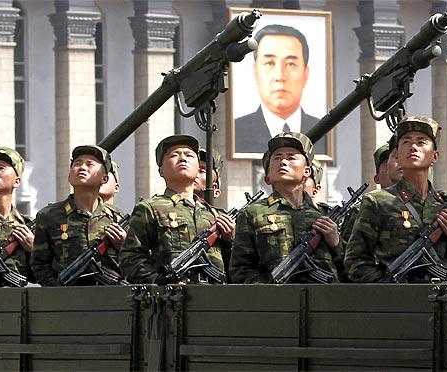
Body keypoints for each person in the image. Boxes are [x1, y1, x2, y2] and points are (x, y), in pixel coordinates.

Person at [345, 116, 447, 283]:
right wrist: (390, 288)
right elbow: (356, 262)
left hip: (440, 301)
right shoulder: (377, 202)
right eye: (406, 142)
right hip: (399, 304)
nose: (413, 147)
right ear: (397, 154)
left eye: (421, 142)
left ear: (435, 156)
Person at [119, 135, 235, 284]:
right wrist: (160, 281)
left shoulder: (215, 215)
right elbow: (130, 257)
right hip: (173, 300)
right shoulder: (150, 209)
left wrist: (229, 240)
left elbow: (236, 267)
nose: (182, 159)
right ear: (161, 170)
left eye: (189, 155)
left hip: (215, 299)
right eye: (174, 155)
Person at [230, 132, 340, 283]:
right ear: (267, 177)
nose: (283, 161)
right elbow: (240, 269)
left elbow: (351, 267)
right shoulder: (252, 214)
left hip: (326, 301)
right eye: (277, 157)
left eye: (291, 157)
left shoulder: (326, 215)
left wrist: (336, 243)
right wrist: (269, 291)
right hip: (277, 303)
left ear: (307, 171)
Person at [30, 145, 126, 286]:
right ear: (69, 176)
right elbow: (39, 264)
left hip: (110, 299)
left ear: (104, 179)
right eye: (77, 163)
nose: (82, 167)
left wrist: (123, 246)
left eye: (90, 164)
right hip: (67, 300)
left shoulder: (117, 218)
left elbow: (132, 264)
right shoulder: (49, 216)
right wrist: (56, 289)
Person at [234, 24, 325, 154]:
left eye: (290, 64)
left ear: (305, 74)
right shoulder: (237, 130)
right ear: (255, 72)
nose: (279, 76)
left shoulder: (323, 131)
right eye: (269, 63)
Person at [0, 147, 34, 286]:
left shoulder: (27, 226)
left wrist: (35, 250)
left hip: (16, 304)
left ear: (17, 181)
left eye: (1, 168)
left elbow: (41, 275)